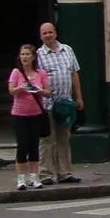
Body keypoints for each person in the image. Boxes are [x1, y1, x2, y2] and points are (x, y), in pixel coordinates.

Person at [37, 20, 84, 185]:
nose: (48, 35)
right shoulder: (38, 55)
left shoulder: (68, 50)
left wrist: (78, 97)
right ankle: (45, 174)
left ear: (56, 33)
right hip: (47, 104)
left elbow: (74, 74)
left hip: (65, 103)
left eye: (50, 32)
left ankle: (65, 173)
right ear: (40, 36)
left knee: (64, 138)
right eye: (44, 33)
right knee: (47, 139)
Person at [7, 42, 52, 190]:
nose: (24, 57)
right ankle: (21, 179)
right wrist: (21, 88)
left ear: (33, 57)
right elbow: (11, 91)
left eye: (27, 54)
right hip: (19, 114)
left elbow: (48, 92)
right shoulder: (16, 72)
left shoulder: (41, 73)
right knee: (22, 145)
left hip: (36, 114)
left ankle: (34, 177)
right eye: (22, 54)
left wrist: (38, 90)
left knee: (34, 145)